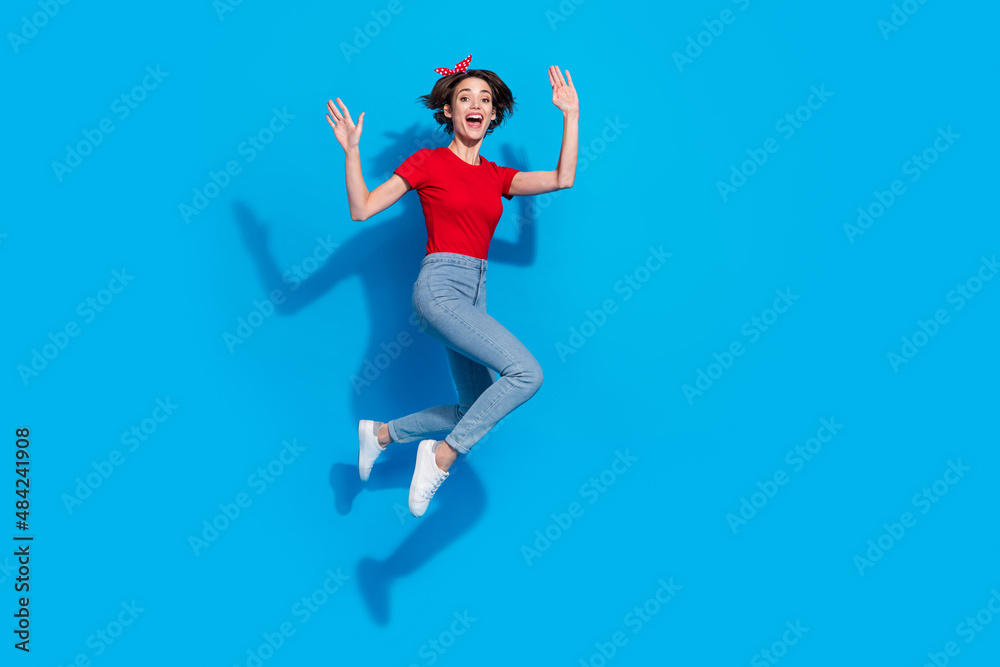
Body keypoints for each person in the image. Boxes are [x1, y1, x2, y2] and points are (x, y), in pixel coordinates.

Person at [326, 54, 579, 517]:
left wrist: (571, 115)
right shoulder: (428, 163)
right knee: (527, 374)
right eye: (465, 97)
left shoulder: (496, 176)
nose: (476, 104)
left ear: (494, 115)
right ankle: (440, 456)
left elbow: (564, 178)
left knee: (477, 409)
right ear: (449, 111)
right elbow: (361, 209)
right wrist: (352, 152)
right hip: (440, 287)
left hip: (476, 294)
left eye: (485, 99)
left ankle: (381, 435)